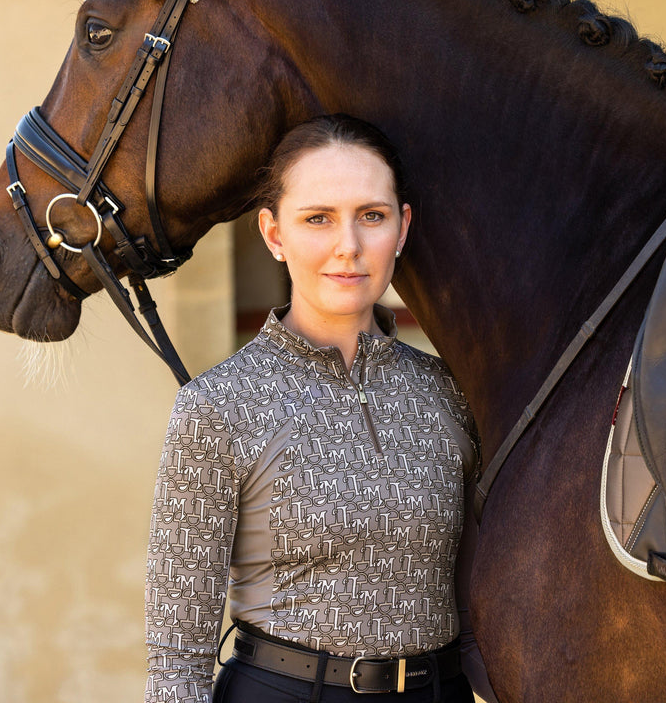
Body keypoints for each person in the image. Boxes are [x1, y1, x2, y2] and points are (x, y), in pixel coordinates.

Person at [144, 114, 493, 703]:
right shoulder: (216, 408)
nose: (348, 247)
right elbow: (177, 651)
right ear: (274, 234)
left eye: (372, 216)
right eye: (317, 219)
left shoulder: (449, 393)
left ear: (402, 227)